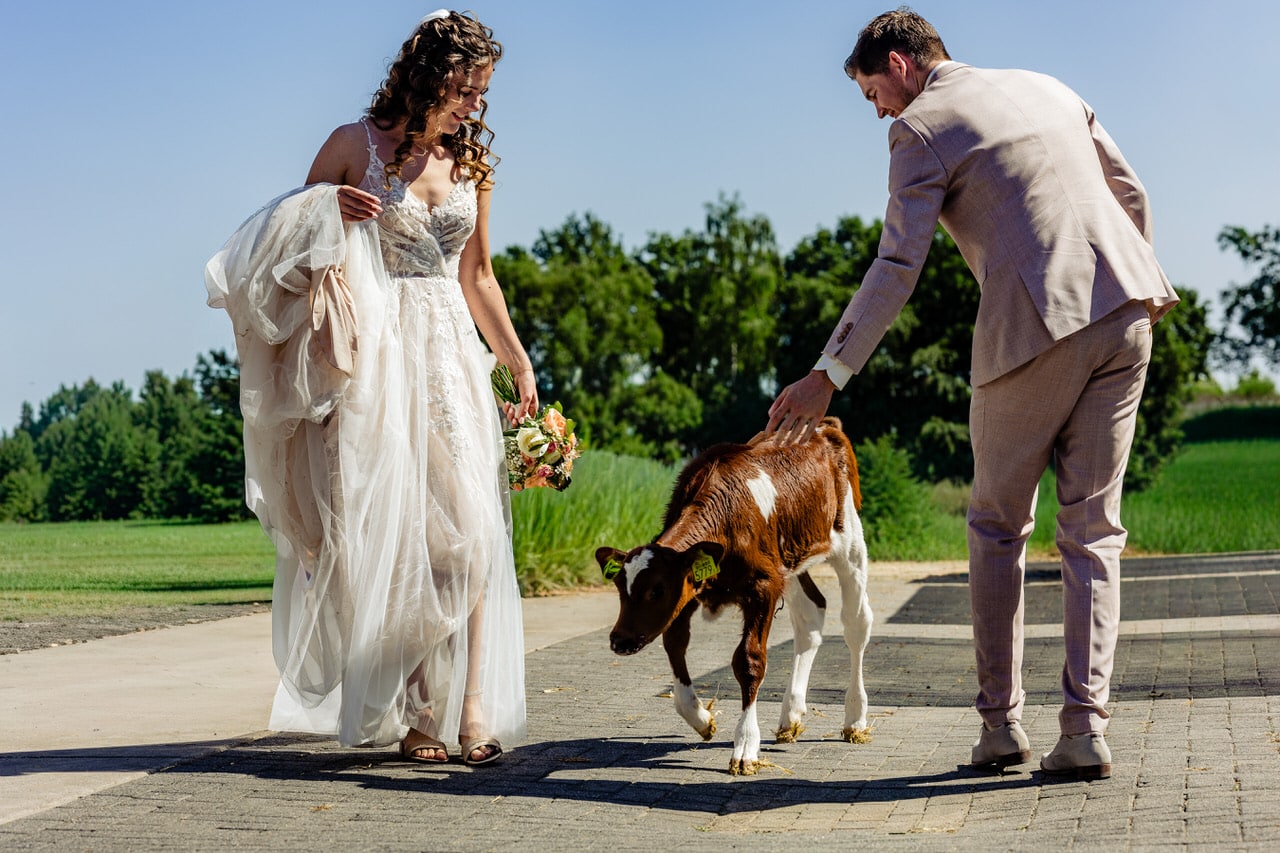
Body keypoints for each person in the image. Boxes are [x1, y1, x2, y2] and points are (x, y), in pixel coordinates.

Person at [765, 8, 1179, 780]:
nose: (878, 112)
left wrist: (830, 372)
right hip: (1130, 309)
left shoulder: (920, 126)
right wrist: (1135, 280)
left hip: (1036, 328)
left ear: (898, 63)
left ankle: (1000, 727)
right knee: (1094, 529)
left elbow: (897, 265)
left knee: (995, 526)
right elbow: (1131, 188)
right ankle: (1085, 731)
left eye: (871, 95)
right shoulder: (1048, 85)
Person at [205, 9, 537, 767]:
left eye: (483, 94)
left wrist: (515, 358)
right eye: (469, 90)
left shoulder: (470, 165)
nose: (476, 107)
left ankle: (473, 703)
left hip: (452, 351)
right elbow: (276, 248)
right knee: (403, 533)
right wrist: (328, 209)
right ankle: (425, 713)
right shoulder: (352, 145)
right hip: (378, 357)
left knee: (474, 530)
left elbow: (478, 275)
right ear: (432, 75)